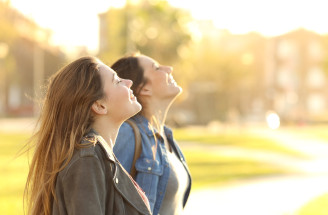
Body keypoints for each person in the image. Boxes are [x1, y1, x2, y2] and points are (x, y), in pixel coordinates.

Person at [24, 56, 151, 215]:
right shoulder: (87, 158)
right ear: (99, 105)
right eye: (117, 81)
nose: (129, 82)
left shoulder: (98, 155)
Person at [112, 53, 192, 215]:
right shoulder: (128, 134)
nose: (169, 68)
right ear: (143, 88)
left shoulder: (166, 137)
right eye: (156, 68)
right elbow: (110, 203)